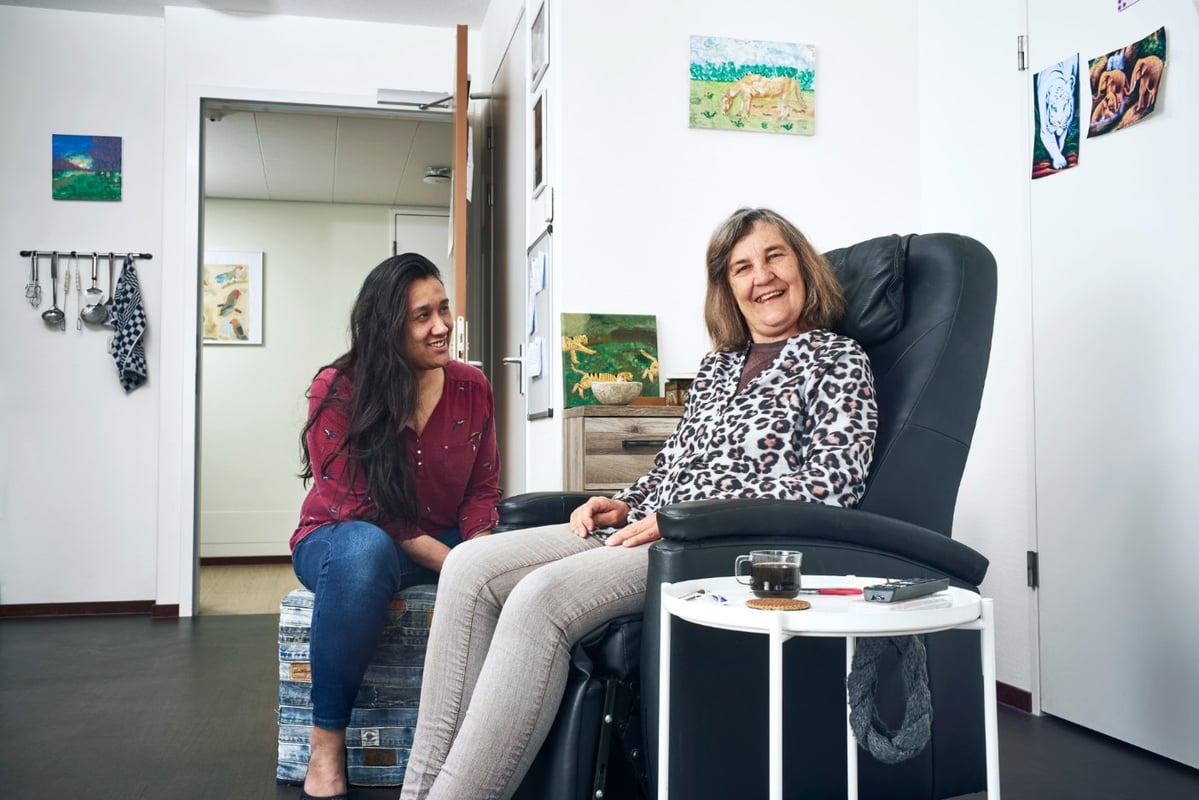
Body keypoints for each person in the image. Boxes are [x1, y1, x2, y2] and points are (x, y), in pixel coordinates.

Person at [399, 208, 878, 800]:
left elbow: (832, 487)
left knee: (540, 597)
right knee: (469, 567)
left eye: (774, 256)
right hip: (648, 528)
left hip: (713, 546)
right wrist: (622, 504)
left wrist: (680, 520)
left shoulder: (837, 359)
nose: (763, 277)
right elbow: (674, 464)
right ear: (727, 288)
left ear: (802, 264)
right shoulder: (718, 366)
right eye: (742, 267)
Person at [290, 253, 501, 800]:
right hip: (341, 538)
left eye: (444, 309)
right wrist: (460, 564)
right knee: (366, 548)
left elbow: (482, 492)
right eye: (421, 316)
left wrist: (482, 552)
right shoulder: (338, 388)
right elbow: (360, 507)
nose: (441, 326)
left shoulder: (472, 386)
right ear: (387, 327)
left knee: (525, 550)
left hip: (439, 539)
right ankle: (326, 742)